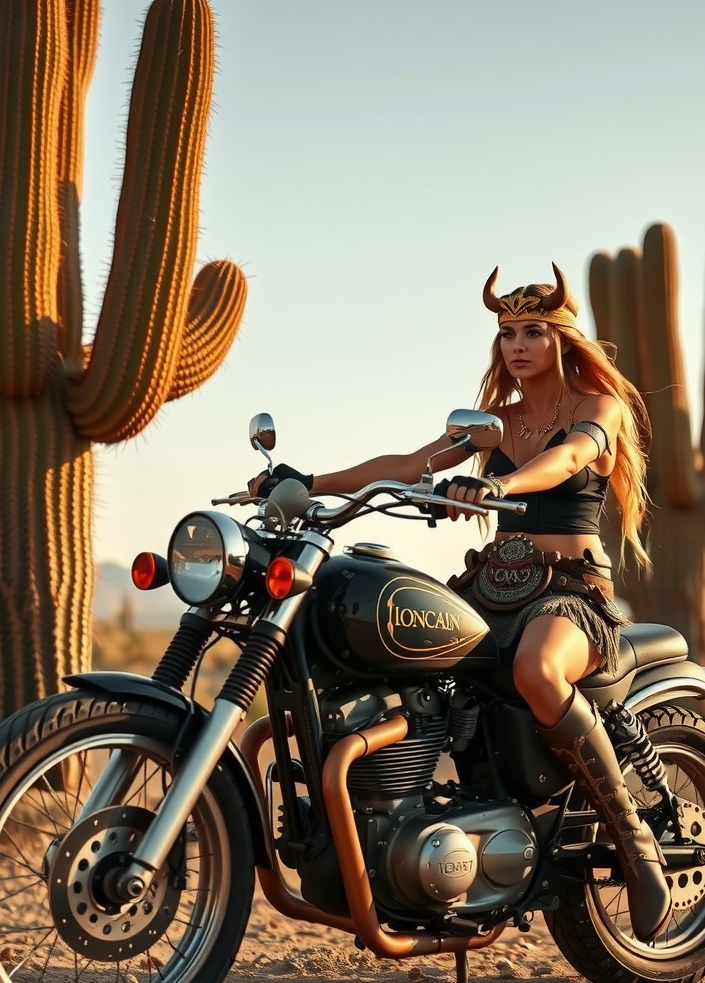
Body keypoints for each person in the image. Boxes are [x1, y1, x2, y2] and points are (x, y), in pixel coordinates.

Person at [247, 263, 671, 942]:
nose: (518, 345)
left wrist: (508, 489)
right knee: (396, 660)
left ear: (563, 339)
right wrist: (304, 482)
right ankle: (428, 827)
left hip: (569, 592)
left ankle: (635, 843)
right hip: (490, 588)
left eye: (533, 330)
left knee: (537, 669)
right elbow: (407, 464)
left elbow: (570, 459)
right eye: (507, 333)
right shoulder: (492, 426)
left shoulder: (598, 410)